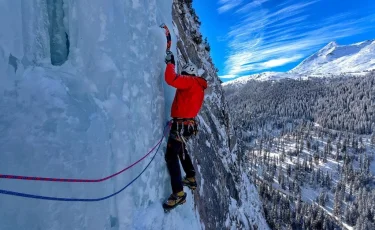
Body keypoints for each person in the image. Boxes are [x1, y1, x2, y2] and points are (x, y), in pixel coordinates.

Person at [162, 51, 207, 211]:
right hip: (187, 125)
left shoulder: (190, 81)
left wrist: (170, 63)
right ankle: (190, 176)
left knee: (171, 156)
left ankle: (178, 193)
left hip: (181, 125)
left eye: (184, 74)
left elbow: (171, 79)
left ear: (188, 73)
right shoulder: (199, 86)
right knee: (181, 149)